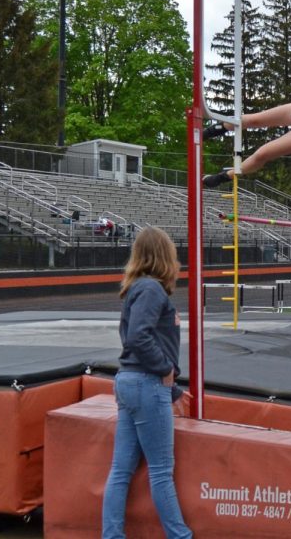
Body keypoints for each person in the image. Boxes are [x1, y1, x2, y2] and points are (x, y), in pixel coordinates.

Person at [102, 227, 192, 539]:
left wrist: (174, 388)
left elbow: (135, 337)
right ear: (165, 256)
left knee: (121, 470)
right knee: (161, 471)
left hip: (131, 382)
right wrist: (165, 370)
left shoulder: (138, 289)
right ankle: (180, 536)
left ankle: (112, 535)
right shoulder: (151, 290)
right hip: (145, 383)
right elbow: (139, 337)